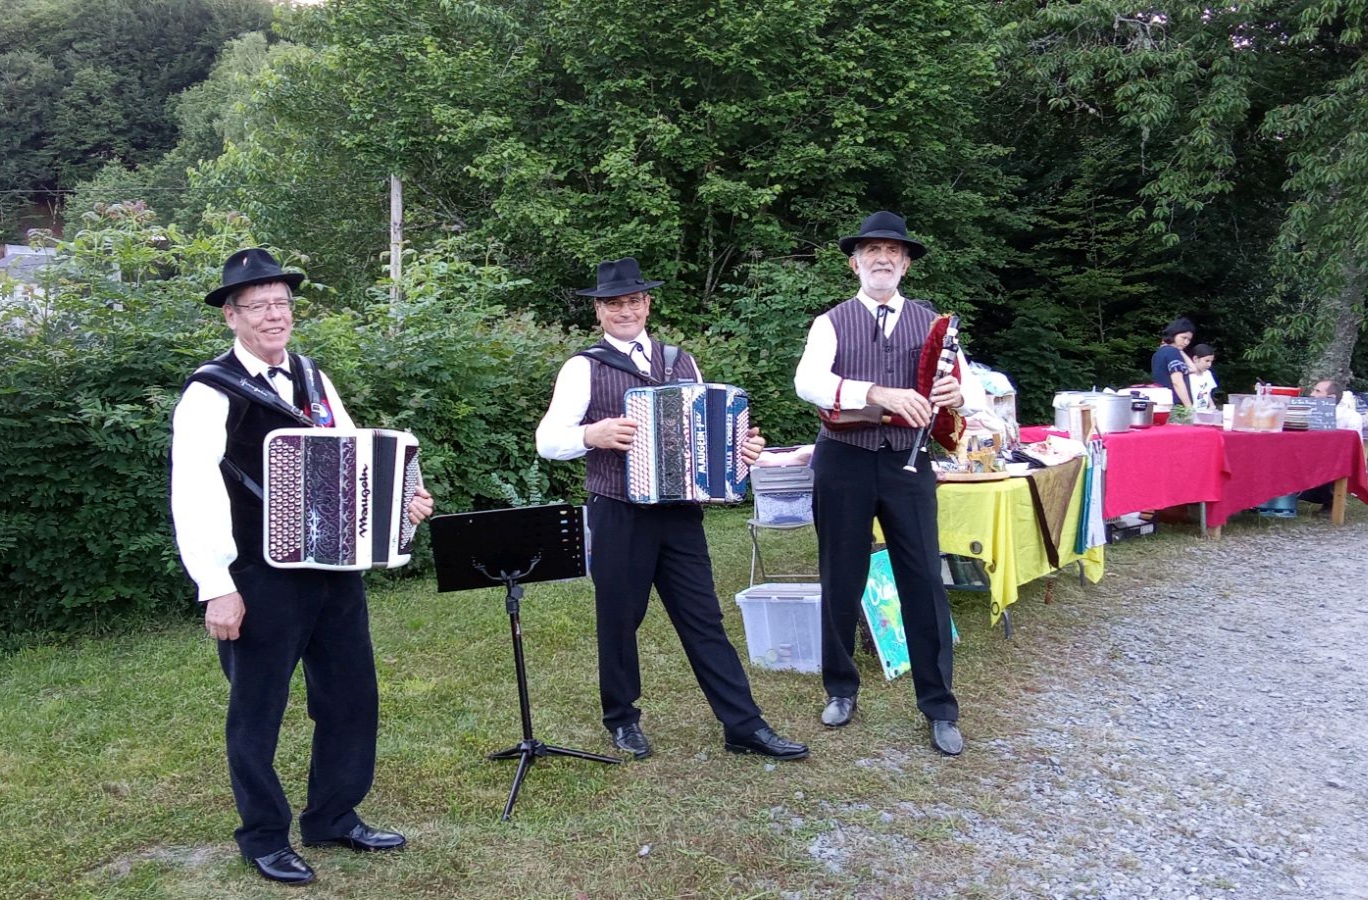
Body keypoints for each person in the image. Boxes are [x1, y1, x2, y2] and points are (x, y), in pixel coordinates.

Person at [171, 249, 435, 886]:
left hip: (334, 568)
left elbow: (352, 456)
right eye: (257, 305)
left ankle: (333, 816)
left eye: (281, 304)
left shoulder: (314, 377)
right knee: (257, 710)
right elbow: (194, 493)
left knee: (350, 698)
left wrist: (403, 497)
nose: (273, 315)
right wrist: (218, 587)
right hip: (258, 578)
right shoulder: (209, 392)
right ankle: (263, 835)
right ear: (231, 317)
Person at [535, 257, 809, 763]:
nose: (625, 311)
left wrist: (741, 449)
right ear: (599, 310)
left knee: (704, 617)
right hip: (618, 510)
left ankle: (742, 725)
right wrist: (590, 435)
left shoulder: (680, 360)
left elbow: (709, 430)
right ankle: (622, 719)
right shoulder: (583, 367)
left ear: (647, 304)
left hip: (681, 512)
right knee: (619, 620)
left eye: (633, 301)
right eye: (614, 303)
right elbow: (548, 440)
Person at [793, 211, 982, 757]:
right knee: (841, 574)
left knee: (923, 578)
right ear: (855, 263)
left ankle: (940, 706)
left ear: (905, 265)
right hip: (844, 459)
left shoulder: (932, 324)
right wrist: (877, 393)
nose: (883, 259)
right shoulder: (831, 322)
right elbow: (809, 382)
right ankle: (841, 688)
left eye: (893, 252)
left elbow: (968, 392)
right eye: (872, 251)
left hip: (909, 460)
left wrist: (955, 397)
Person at [1150, 318, 1196, 408]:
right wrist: (1189, 407)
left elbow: (1193, 369)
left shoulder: (1158, 353)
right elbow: (1177, 382)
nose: (1186, 342)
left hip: (1160, 402)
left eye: (1189, 339)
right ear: (1173, 334)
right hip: (1175, 405)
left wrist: (1180, 350)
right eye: (1184, 338)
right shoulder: (1173, 353)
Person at [1188, 343, 1218, 411]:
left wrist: (1212, 405)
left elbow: (1208, 392)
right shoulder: (1188, 376)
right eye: (1207, 361)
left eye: (1211, 361)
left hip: (1203, 412)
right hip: (1190, 412)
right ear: (1195, 359)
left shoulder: (1208, 374)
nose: (1209, 364)